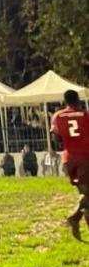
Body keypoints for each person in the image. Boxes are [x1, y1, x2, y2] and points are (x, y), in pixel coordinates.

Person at [51, 90, 89, 240]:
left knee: (85, 193)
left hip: (69, 159)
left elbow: (56, 138)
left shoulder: (58, 116)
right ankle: (74, 217)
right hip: (85, 157)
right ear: (78, 100)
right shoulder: (85, 115)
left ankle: (77, 221)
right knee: (87, 195)